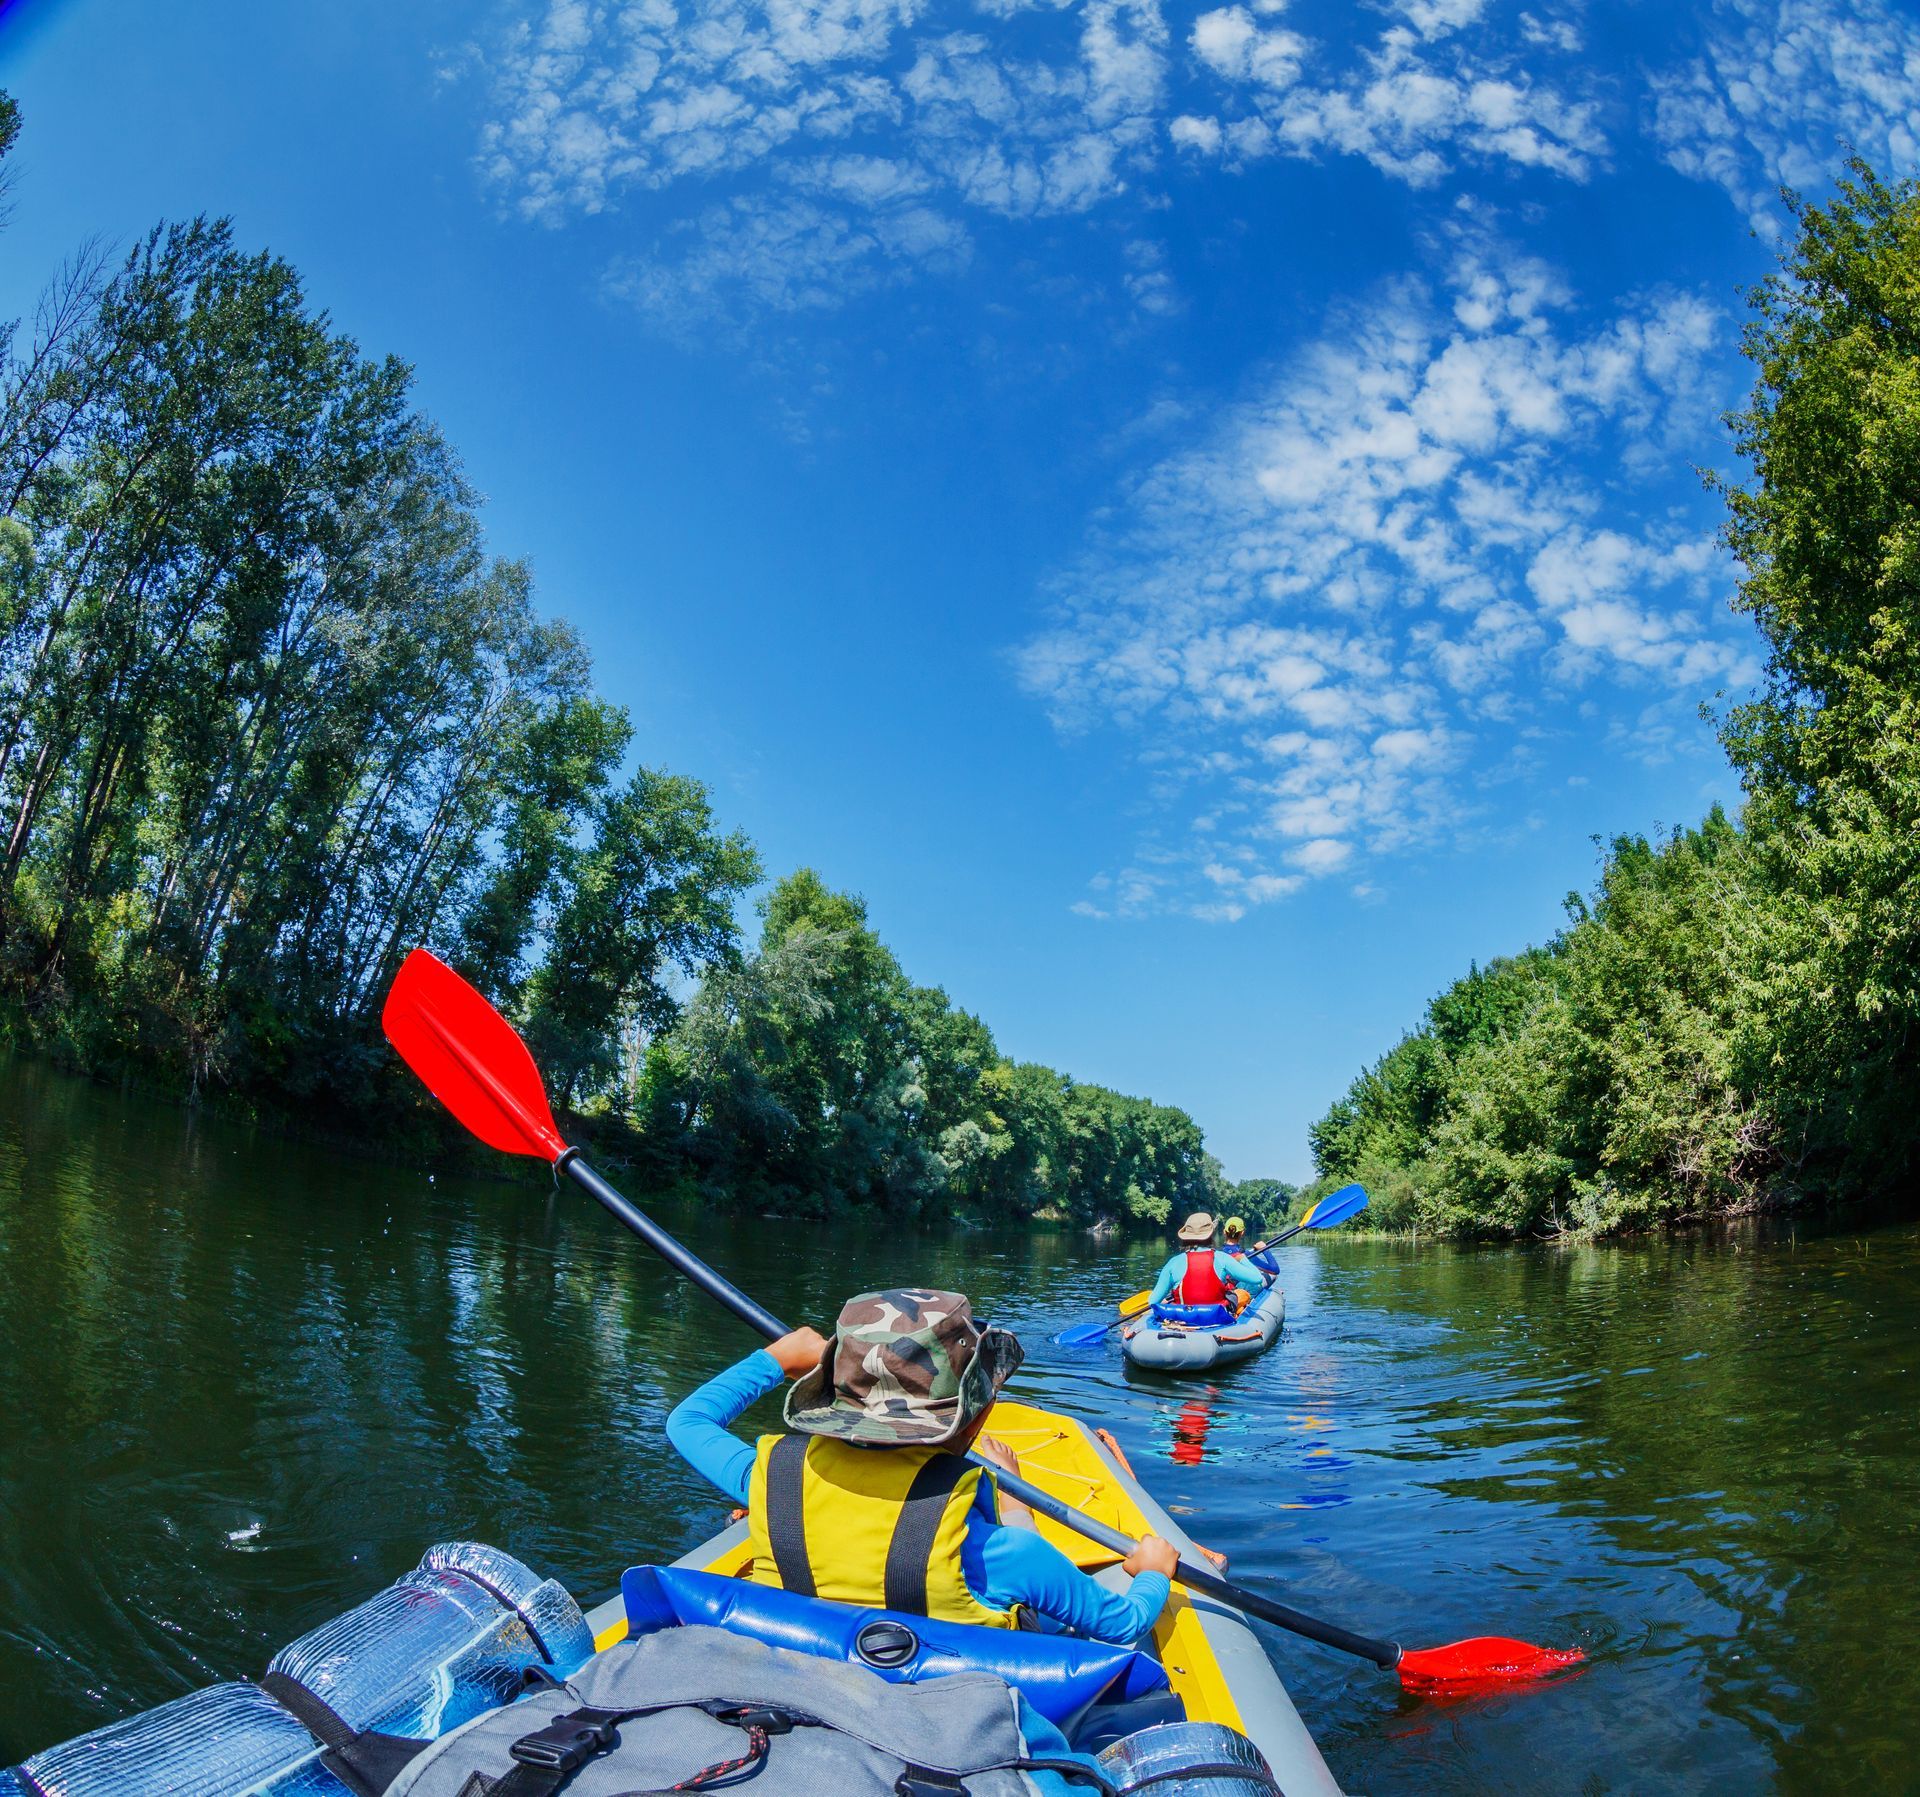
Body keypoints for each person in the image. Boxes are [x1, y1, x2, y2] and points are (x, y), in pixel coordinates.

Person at [667, 1288, 1179, 1645]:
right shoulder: (1000, 1551)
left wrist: (778, 1358)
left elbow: (688, 1422)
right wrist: (1153, 1573)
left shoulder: (769, 1479)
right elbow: (1123, 1623)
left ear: (834, 1403)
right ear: (974, 1418)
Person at [1148, 1211, 1267, 1313]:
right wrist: (1241, 1258)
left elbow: (1153, 1301)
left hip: (1183, 1320)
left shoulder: (1173, 1263)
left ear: (1185, 1237)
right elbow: (1257, 1278)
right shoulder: (1222, 1258)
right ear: (1211, 1234)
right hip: (1216, 1320)